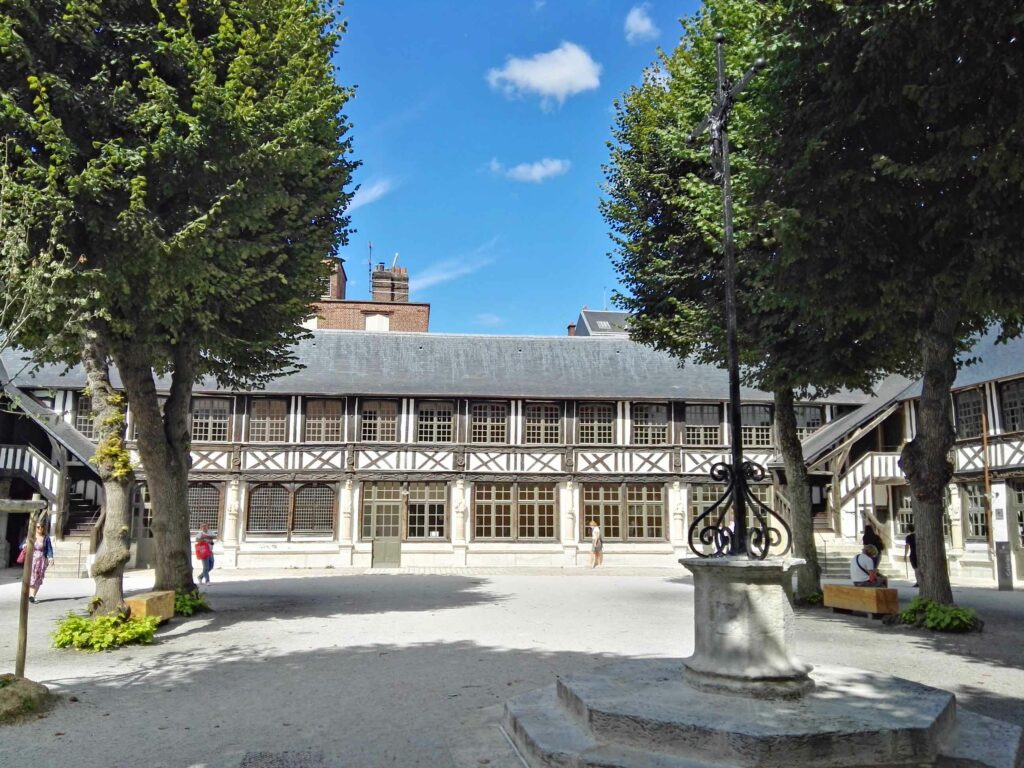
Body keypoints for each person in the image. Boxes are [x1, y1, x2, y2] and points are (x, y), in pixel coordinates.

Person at [20, 522, 54, 603]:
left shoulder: (46, 538)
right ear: (35, 528)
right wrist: (24, 545)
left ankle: (33, 596)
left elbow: (49, 549)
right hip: (32, 560)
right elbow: (21, 546)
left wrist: (51, 557)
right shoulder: (30, 537)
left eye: (42, 527)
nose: (40, 528)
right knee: (32, 577)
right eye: (38, 527)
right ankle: (31, 596)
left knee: (39, 578)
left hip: (42, 560)